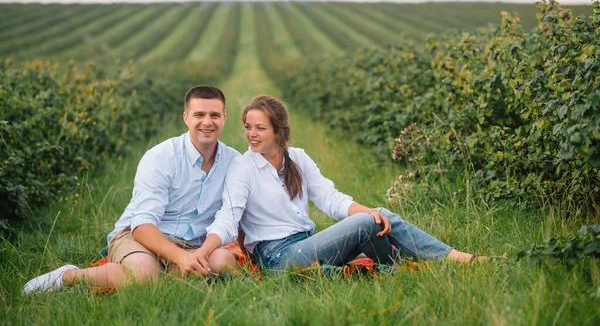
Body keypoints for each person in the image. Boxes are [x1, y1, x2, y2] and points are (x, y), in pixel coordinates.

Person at [196, 95, 485, 271]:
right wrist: (202, 252)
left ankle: (410, 266)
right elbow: (228, 218)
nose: (251, 134)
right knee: (367, 222)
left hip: (306, 244)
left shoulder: (297, 158)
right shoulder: (242, 167)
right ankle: (449, 259)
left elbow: (330, 199)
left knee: (377, 216)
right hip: (278, 258)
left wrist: (369, 211)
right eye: (248, 127)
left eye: (260, 128)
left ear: (278, 131)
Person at [23, 85, 240, 294]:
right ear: (186, 117)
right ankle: (69, 276)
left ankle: (167, 273)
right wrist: (181, 258)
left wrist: (197, 255)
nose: (207, 122)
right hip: (141, 237)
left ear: (224, 117)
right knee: (143, 276)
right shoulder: (160, 157)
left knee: (223, 261)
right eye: (199, 115)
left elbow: (229, 217)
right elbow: (142, 225)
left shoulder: (234, 162)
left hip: (193, 245)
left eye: (214, 115)